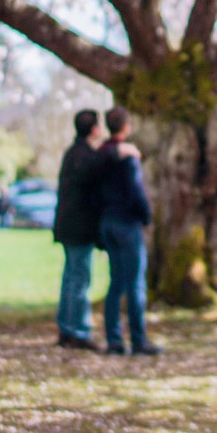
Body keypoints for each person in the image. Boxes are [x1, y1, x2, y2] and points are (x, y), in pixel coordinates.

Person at [96, 107, 160, 357]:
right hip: (126, 223)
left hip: (108, 222)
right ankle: (138, 339)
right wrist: (145, 215)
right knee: (134, 284)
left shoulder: (101, 156)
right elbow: (135, 190)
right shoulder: (127, 157)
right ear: (126, 126)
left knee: (116, 283)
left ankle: (114, 339)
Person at [52, 109, 106, 351]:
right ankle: (78, 331)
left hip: (67, 225)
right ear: (94, 129)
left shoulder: (72, 154)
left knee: (71, 277)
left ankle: (66, 327)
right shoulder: (87, 158)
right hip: (80, 227)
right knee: (79, 279)